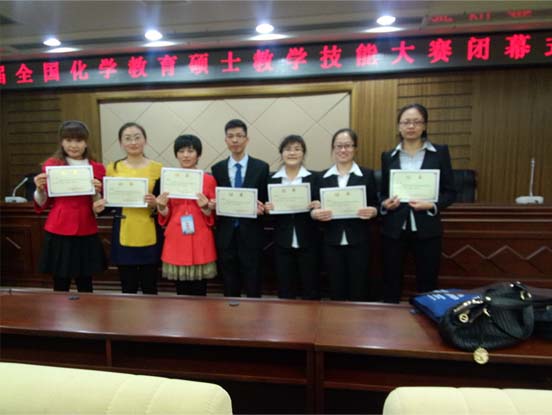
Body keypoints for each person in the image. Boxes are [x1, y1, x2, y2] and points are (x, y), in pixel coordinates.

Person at [380, 103, 457, 303]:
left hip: (427, 228)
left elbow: (450, 192)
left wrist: (432, 205)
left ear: (424, 126)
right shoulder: (388, 156)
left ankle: (427, 317)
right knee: (390, 281)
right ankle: (390, 319)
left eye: (416, 122)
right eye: (406, 122)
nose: (411, 126)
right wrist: (385, 203)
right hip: (395, 229)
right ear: (399, 126)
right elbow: (383, 193)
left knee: (427, 280)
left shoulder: (439, 153)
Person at [33, 120, 106, 292]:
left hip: (86, 226)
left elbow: (99, 204)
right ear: (61, 142)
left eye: (79, 140)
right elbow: (43, 202)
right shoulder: (52, 165)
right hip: (59, 227)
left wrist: (97, 193)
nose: (74, 145)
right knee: (60, 281)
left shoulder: (97, 168)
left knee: (85, 281)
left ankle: (87, 309)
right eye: (68, 140)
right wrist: (39, 189)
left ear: (86, 142)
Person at [311, 128, 378, 301]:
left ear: (355, 148)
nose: (343, 150)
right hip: (331, 240)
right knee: (335, 288)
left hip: (359, 240)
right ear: (333, 149)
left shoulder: (367, 175)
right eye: (339, 146)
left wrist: (373, 211)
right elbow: (314, 205)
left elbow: (375, 204)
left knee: (359, 288)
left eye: (347, 146)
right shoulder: (321, 177)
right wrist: (315, 213)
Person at [97, 122, 163, 295]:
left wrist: (156, 204)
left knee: (150, 287)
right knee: (128, 287)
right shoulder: (112, 168)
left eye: (137, 137)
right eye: (127, 138)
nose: (133, 142)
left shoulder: (158, 168)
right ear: (121, 143)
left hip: (150, 229)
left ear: (145, 140)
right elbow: (109, 203)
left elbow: (163, 204)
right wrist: (99, 205)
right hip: (124, 231)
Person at [211, 119, 269, 298]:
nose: (235, 140)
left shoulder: (261, 167)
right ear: (226, 140)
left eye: (239, 136)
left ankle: (254, 314)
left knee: (253, 281)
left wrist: (262, 208)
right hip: (226, 234)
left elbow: (265, 200)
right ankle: (231, 312)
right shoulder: (217, 169)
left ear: (247, 139)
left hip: (252, 233)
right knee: (229, 281)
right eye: (230, 136)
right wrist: (213, 204)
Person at [156, 135, 217, 296]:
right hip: (176, 236)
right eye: (181, 151)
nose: (185, 155)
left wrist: (206, 207)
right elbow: (166, 214)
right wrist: (161, 206)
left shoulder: (209, 180)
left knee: (200, 290)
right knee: (181, 292)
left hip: (200, 236)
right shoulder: (169, 178)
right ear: (176, 154)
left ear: (198, 154)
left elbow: (212, 214)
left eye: (190, 151)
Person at [264, 135, 320, 300]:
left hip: (309, 241)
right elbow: (264, 208)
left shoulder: (314, 178)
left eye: (297, 149)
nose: (292, 153)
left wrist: (318, 204)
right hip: (281, 241)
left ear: (303, 153)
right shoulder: (271, 180)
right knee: (285, 290)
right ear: (281, 153)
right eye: (288, 149)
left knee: (311, 288)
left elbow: (322, 206)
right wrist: (267, 209)